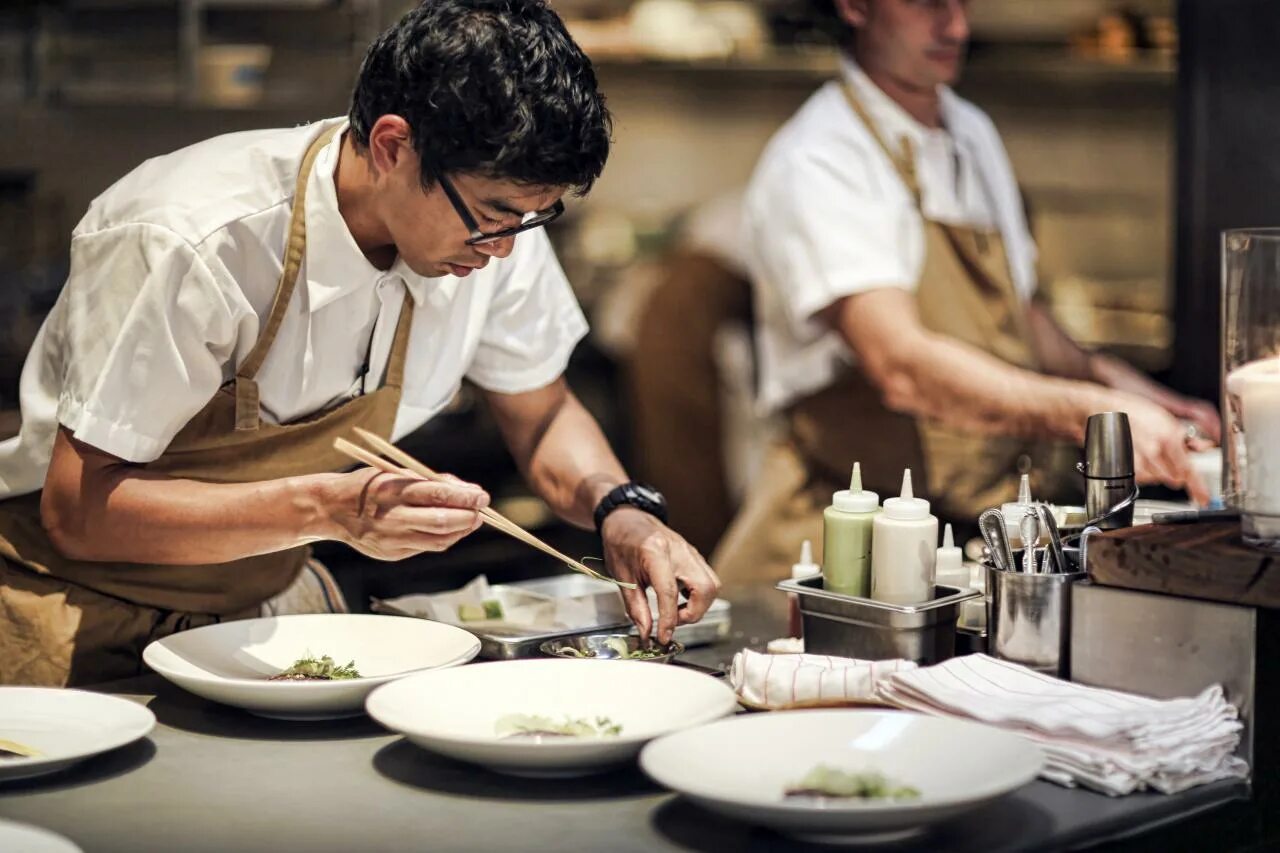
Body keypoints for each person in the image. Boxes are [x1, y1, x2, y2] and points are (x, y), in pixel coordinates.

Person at [0, 0, 718, 687]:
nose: (503, 249)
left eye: (534, 218)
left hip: (265, 620)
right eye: (494, 217)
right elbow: (79, 509)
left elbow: (543, 413)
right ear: (392, 146)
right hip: (72, 614)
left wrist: (620, 508)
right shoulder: (194, 237)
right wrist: (327, 510)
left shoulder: (497, 235)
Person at [713, 0, 1218, 583]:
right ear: (854, 6)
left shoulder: (970, 130)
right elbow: (901, 366)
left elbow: (1019, 313)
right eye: (927, 3)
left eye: (962, 2)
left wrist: (1135, 393)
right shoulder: (821, 156)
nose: (956, 26)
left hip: (961, 532)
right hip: (843, 549)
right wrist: (1093, 417)